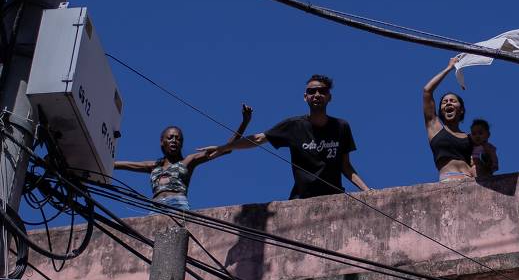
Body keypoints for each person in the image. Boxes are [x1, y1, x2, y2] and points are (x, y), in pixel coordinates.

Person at [203, 75, 370, 200]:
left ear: (329, 97)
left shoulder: (341, 127)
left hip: (334, 197)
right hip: (302, 199)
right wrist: (223, 147)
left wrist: (368, 192)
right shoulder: (294, 126)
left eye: (322, 91)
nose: (317, 94)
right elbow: (259, 139)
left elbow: (346, 166)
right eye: (312, 91)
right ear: (306, 97)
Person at [113, 104, 253, 210]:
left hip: (177, 204)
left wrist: (244, 122)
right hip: (155, 206)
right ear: (162, 141)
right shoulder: (154, 165)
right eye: (170, 138)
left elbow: (225, 149)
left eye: (178, 138)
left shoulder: (188, 161)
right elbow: (122, 164)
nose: (174, 140)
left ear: (182, 143)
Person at [423, 57, 473, 181]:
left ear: (461, 109)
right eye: (444, 102)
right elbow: (427, 91)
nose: (448, 103)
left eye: (453, 101)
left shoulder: (471, 137)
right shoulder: (434, 127)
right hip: (448, 179)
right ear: (440, 110)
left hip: (471, 180)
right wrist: (449, 68)